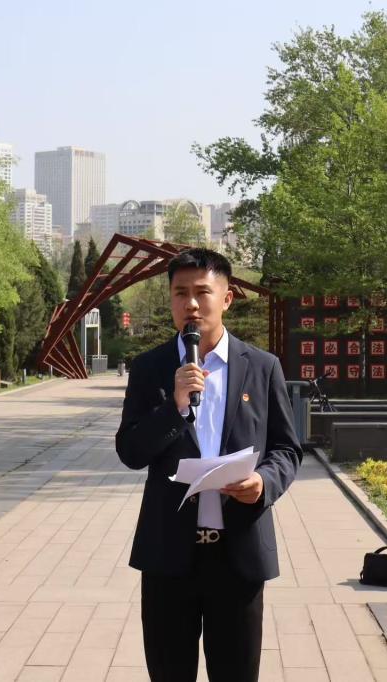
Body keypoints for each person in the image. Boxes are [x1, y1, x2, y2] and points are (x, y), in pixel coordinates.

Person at [116, 247, 303, 682]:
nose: (191, 304)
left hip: (238, 557)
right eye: (180, 293)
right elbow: (130, 451)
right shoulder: (149, 369)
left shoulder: (262, 367)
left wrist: (263, 483)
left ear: (227, 298)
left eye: (202, 292)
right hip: (168, 556)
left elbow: (287, 448)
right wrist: (175, 407)